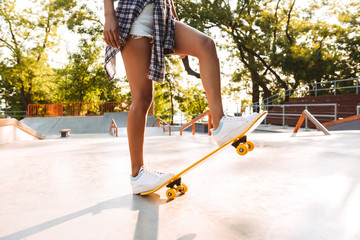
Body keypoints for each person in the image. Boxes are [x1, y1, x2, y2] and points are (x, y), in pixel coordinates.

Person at [103, 0, 260, 194]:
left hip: (162, 17)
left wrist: (174, 18)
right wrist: (109, 15)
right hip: (134, 17)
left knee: (206, 45)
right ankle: (138, 174)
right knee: (142, 99)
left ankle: (220, 124)